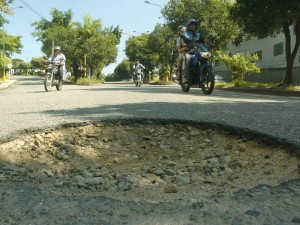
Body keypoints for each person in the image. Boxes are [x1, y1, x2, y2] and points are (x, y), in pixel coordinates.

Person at [181, 19, 205, 83]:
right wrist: (185, 43)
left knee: (205, 57)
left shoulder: (199, 34)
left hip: (198, 51)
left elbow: (205, 40)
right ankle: (184, 76)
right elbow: (182, 39)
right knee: (188, 58)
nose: (193, 26)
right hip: (189, 52)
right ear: (188, 26)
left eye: (194, 25)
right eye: (191, 25)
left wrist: (211, 44)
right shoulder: (185, 34)